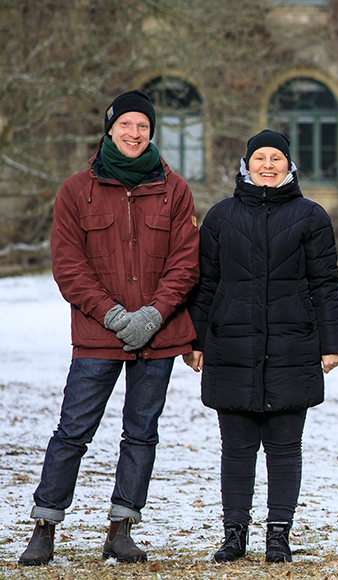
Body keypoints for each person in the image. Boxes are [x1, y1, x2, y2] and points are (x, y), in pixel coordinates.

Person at [18, 90, 200, 566]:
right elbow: (69, 266)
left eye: (143, 127)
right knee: (73, 430)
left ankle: (121, 527)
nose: (135, 134)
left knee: (141, 432)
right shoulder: (77, 190)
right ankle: (45, 523)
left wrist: (155, 315)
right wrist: (116, 316)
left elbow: (185, 262)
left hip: (157, 336)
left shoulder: (175, 189)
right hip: (99, 335)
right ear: (110, 129)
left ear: (151, 132)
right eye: (126, 126)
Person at [184, 130, 338, 563]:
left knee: (284, 447)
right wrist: (194, 340)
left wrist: (332, 343)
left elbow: (325, 285)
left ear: (290, 166)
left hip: (292, 347)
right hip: (231, 345)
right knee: (235, 449)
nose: (268, 164)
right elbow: (204, 286)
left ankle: (279, 533)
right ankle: (234, 533)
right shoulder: (220, 217)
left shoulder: (311, 217)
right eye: (261, 158)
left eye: (277, 158)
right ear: (247, 164)